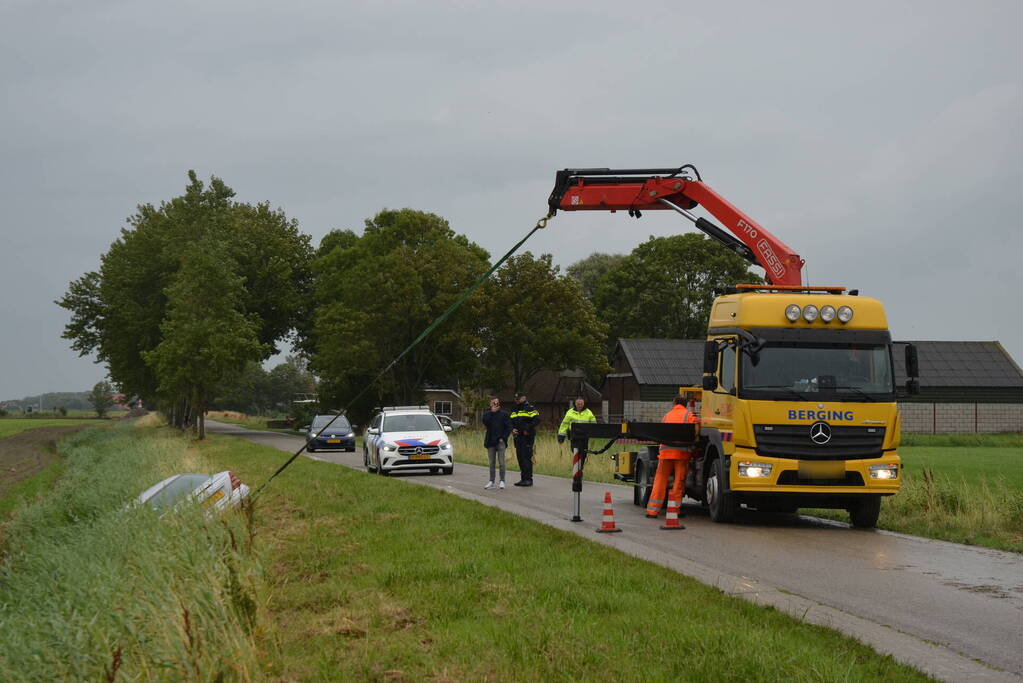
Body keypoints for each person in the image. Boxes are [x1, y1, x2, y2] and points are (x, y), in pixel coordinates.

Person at [646, 395, 699, 518]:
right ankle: (674, 510)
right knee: (678, 482)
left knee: (660, 480)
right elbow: (696, 428)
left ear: (674, 403)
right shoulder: (688, 415)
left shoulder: (666, 416)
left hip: (665, 453)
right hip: (681, 454)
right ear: (685, 404)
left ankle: (652, 510)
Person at [509, 392, 540, 486]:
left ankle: (528, 479)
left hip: (527, 437)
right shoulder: (514, 409)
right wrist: (512, 429)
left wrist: (527, 428)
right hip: (518, 437)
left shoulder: (530, 408)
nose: (517, 400)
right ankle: (523, 478)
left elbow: (537, 419)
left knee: (526, 457)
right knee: (520, 458)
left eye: (519, 398)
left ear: (524, 398)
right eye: (516, 399)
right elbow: (510, 421)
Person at [481, 397, 511, 490]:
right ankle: (491, 481)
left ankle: (502, 481)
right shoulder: (487, 414)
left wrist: (503, 437)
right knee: (491, 463)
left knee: (501, 462)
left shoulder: (504, 414)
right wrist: (492, 412)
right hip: (490, 441)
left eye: (497, 403)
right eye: (494, 403)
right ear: (490, 404)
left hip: (500, 441)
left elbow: (508, 427)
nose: (496, 404)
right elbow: (486, 422)